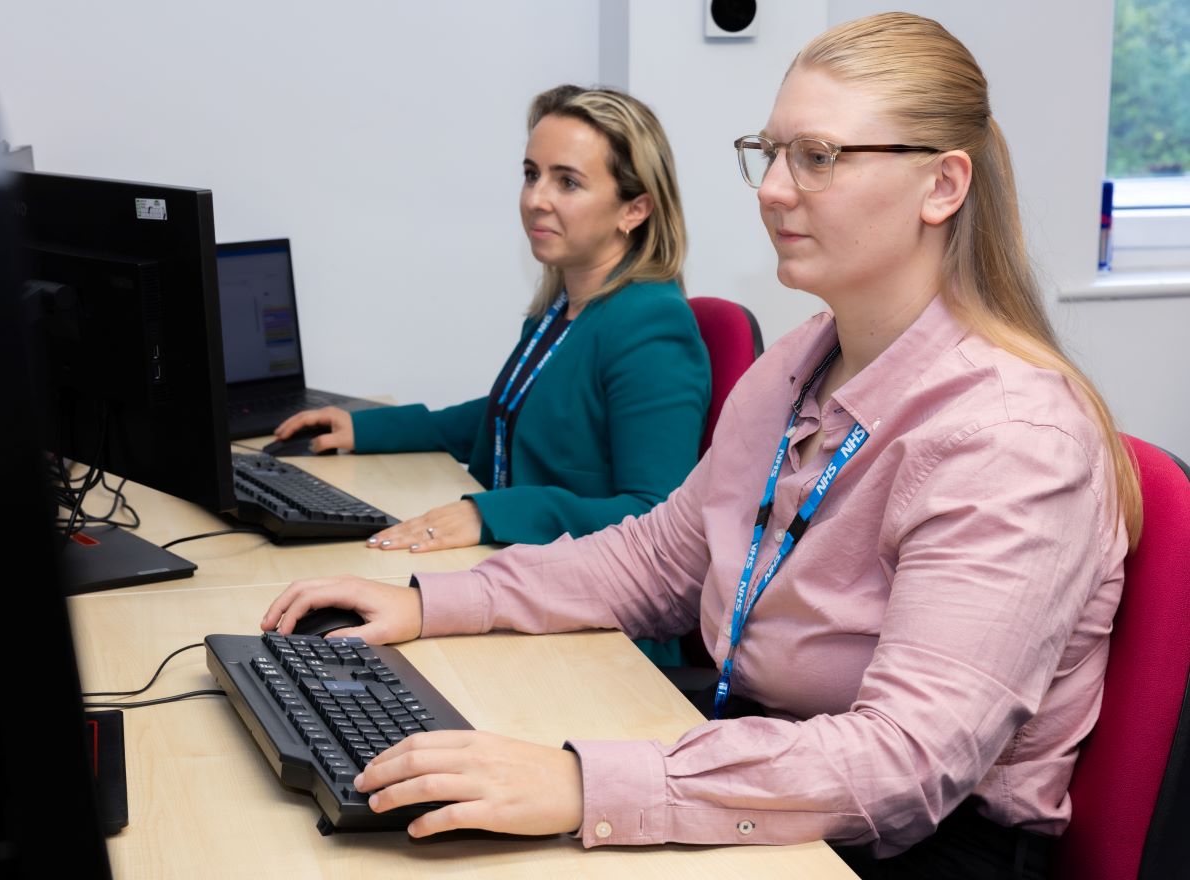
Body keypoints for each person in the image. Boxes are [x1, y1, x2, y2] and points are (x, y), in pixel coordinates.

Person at [261, 13, 1141, 878]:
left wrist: (580, 782)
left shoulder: (1010, 440)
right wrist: (436, 601)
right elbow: (658, 559)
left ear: (943, 186)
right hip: (766, 752)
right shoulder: (803, 362)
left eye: (819, 156)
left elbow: (902, 764)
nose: (772, 189)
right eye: (771, 152)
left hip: (916, 837)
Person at [271, 85, 710, 566]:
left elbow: (656, 519)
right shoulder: (566, 306)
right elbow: (515, 413)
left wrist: (491, 514)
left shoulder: (652, 326)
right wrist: (366, 427)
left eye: (567, 182)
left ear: (635, 209)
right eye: (531, 174)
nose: (536, 199)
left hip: (607, 618)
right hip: (527, 575)